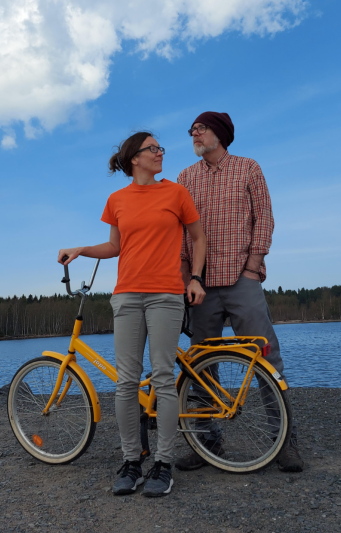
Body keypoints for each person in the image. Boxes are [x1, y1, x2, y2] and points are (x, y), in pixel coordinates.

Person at [58, 131, 206, 496]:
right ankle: (131, 461)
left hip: (166, 295)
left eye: (160, 148)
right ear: (134, 159)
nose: (160, 153)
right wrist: (81, 249)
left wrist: (197, 278)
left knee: (162, 376)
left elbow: (198, 238)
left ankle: (164, 463)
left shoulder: (176, 193)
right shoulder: (117, 199)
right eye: (153, 149)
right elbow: (115, 246)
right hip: (126, 297)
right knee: (125, 382)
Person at [176, 111, 304, 473]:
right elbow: (181, 231)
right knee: (200, 365)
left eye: (200, 129)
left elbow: (264, 216)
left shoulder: (248, 168)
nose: (194, 135)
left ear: (219, 133)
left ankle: (286, 442)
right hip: (200, 286)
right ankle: (205, 440)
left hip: (241, 279)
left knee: (266, 360)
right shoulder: (185, 177)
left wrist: (252, 266)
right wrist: (188, 277)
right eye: (192, 131)